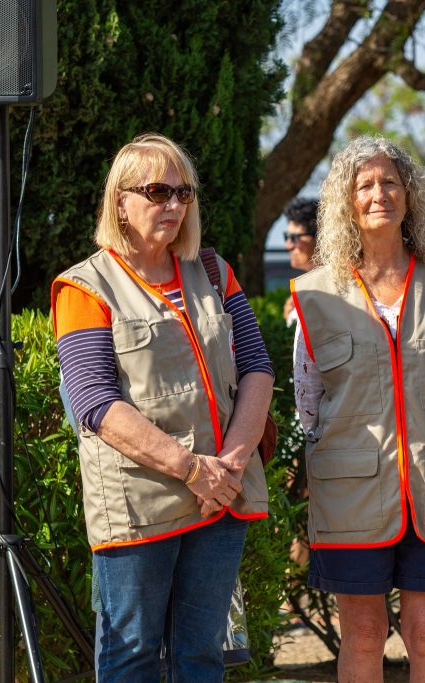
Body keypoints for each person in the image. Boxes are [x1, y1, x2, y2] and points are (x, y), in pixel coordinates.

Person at [51, 133, 274, 681]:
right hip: (139, 506)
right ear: (120, 203)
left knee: (202, 656)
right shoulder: (84, 286)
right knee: (131, 658)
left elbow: (258, 369)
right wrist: (194, 470)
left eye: (183, 192)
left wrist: (232, 466)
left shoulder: (215, 272)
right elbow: (95, 403)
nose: (174, 205)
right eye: (157, 191)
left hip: (220, 496)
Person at [290, 134, 425, 682]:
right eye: (364, 184)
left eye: (391, 182)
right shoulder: (315, 292)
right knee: (364, 637)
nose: (379, 194)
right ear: (346, 201)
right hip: (351, 491)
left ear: (410, 196)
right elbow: (308, 399)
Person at [281, 197, 318, 324]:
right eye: (287, 237)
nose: (288, 245)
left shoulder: (338, 285)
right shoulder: (307, 288)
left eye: (294, 237)